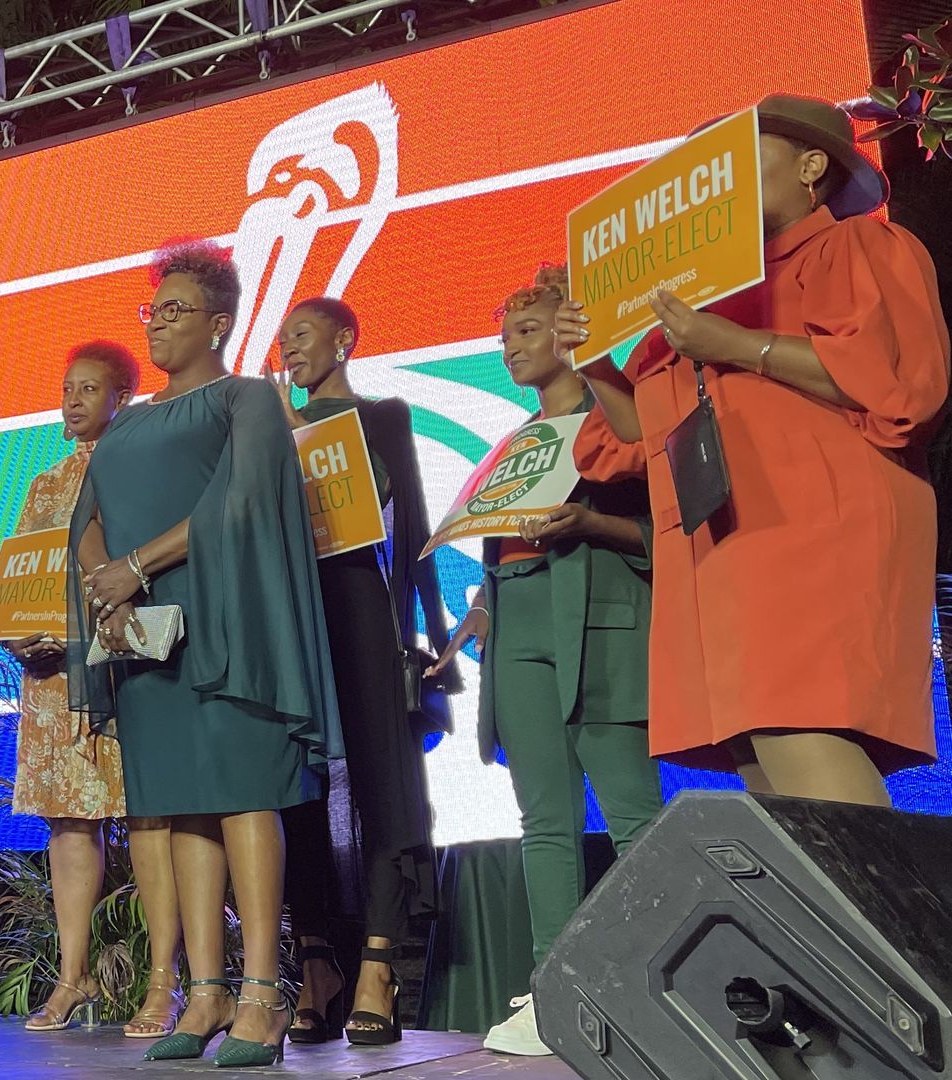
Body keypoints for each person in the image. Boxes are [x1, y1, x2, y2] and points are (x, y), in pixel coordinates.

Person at [566, 94, 948, 805]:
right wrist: (589, 362)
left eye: (739, 158)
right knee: (759, 753)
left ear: (812, 167)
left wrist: (740, 347)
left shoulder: (857, 245)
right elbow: (632, 439)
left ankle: (879, 919)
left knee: (799, 723)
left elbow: (898, 386)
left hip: (810, 519)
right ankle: (824, 920)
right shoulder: (698, 302)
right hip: (720, 540)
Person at [72, 239, 342, 1068]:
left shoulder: (246, 397)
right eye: (152, 310)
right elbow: (89, 513)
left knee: (243, 797)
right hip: (141, 643)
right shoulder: (134, 419)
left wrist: (134, 568)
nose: (157, 325)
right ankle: (209, 989)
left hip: (224, 630)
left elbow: (241, 502)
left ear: (220, 323)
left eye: (176, 311)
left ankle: (264, 991)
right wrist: (100, 590)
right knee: (185, 808)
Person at [433, 266, 664, 1057]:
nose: (510, 350)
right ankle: (552, 987)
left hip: (604, 627)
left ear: (571, 334)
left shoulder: (622, 426)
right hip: (523, 636)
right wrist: (482, 611)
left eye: (527, 332)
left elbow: (671, 536)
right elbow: (502, 555)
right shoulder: (514, 446)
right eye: (504, 338)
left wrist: (592, 527)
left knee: (635, 816)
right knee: (546, 823)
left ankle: (659, 976)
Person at [267, 298, 459, 1046]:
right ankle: (318, 962)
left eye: (303, 336)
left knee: (383, 789)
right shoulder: (268, 431)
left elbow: (398, 513)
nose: (289, 351)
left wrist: (432, 634)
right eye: (283, 341)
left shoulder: (384, 414)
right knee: (299, 796)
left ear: (343, 340)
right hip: (295, 622)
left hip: (362, 614)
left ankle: (378, 965)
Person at [2, 343, 186, 1038]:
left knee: (148, 820)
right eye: (67, 386)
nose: (74, 399)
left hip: (123, 666)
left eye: (91, 388)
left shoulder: (143, 470)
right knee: (69, 821)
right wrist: (18, 632)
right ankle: (72, 976)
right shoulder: (47, 482)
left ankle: (164, 982)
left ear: (123, 399)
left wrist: (84, 627)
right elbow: (23, 572)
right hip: (52, 676)